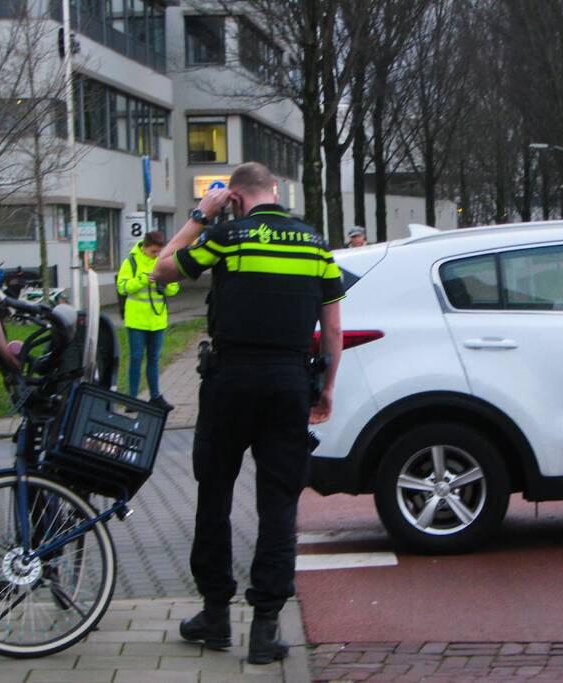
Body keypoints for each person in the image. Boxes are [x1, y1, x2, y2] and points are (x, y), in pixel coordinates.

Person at [151, 162, 344, 665]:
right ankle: (265, 630)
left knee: (213, 496)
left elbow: (161, 269)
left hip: (230, 382)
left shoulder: (228, 236)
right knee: (278, 506)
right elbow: (333, 328)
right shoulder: (315, 245)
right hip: (287, 383)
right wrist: (326, 388)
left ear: (234, 197)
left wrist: (200, 215)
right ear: (275, 192)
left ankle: (215, 616)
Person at [116, 230, 178, 411]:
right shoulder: (131, 262)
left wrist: (164, 284)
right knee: (136, 358)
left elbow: (174, 289)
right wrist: (143, 280)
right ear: (144, 247)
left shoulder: (164, 262)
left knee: (153, 358)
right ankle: (132, 399)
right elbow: (122, 287)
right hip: (136, 320)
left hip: (157, 319)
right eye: (153, 251)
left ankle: (155, 396)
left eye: (159, 251)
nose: (157, 255)